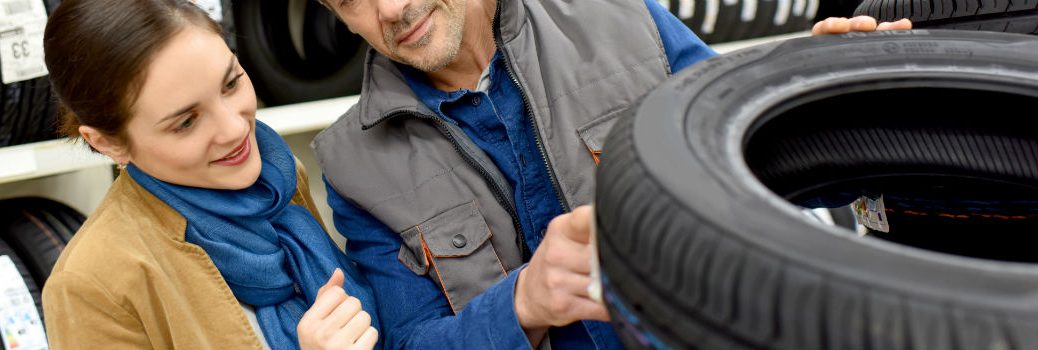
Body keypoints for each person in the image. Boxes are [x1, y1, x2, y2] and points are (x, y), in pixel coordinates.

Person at [311, 0, 913, 347]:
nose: (390, 8)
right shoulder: (351, 164)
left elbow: (759, 171)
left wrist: (832, 110)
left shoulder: (625, 19)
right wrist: (523, 302)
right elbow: (410, 343)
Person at [40, 1, 379, 349]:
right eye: (186, 122)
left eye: (231, 83)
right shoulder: (91, 285)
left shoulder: (278, 179)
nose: (234, 128)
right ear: (108, 143)